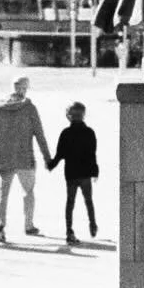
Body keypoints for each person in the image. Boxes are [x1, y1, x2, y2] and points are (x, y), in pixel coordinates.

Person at [0, 76, 51, 243]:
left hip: (4, 158)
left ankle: (0, 225)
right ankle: (28, 225)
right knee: (29, 192)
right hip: (25, 158)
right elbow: (40, 135)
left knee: (3, 194)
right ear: (24, 88)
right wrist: (48, 158)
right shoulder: (29, 108)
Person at [46, 102, 100, 244]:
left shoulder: (65, 133)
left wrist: (51, 165)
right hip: (85, 174)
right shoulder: (90, 133)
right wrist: (95, 171)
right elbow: (92, 154)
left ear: (69, 116)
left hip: (71, 174)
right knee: (88, 201)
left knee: (70, 202)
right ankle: (93, 224)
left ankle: (69, 230)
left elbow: (59, 154)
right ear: (83, 115)